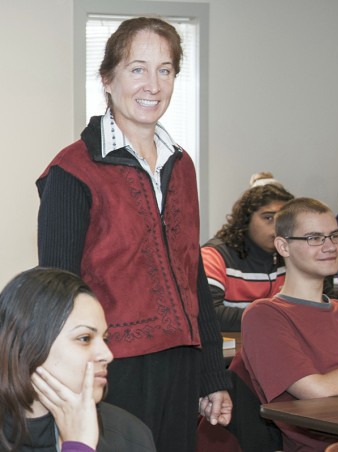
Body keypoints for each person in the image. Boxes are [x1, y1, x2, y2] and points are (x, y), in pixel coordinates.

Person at [35, 17, 231, 452]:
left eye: (165, 70)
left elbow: (192, 273)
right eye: (137, 68)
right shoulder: (72, 170)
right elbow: (57, 290)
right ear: (108, 78)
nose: (153, 85)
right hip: (110, 368)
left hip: (182, 361)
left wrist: (212, 374)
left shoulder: (182, 165)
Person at [232, 197, 338, 451]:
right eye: (314, 238)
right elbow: (316, 390)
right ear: (283, 246)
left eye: (334, 236)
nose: (330, 246)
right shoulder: (265, 315)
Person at [0, 267, 156, 452]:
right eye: (84, 338)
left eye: (105, 338)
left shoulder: (130, 435)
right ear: (24, 347)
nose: (108, 355)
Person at [201, 183, 294, 331]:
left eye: (283, 219)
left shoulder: (294, 253)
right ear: (245, 220)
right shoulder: (214, 255)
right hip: (231, 350)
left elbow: (316, 305)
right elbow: (209, 314)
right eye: (268, 217)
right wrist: (276, 317)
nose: (277, 226)